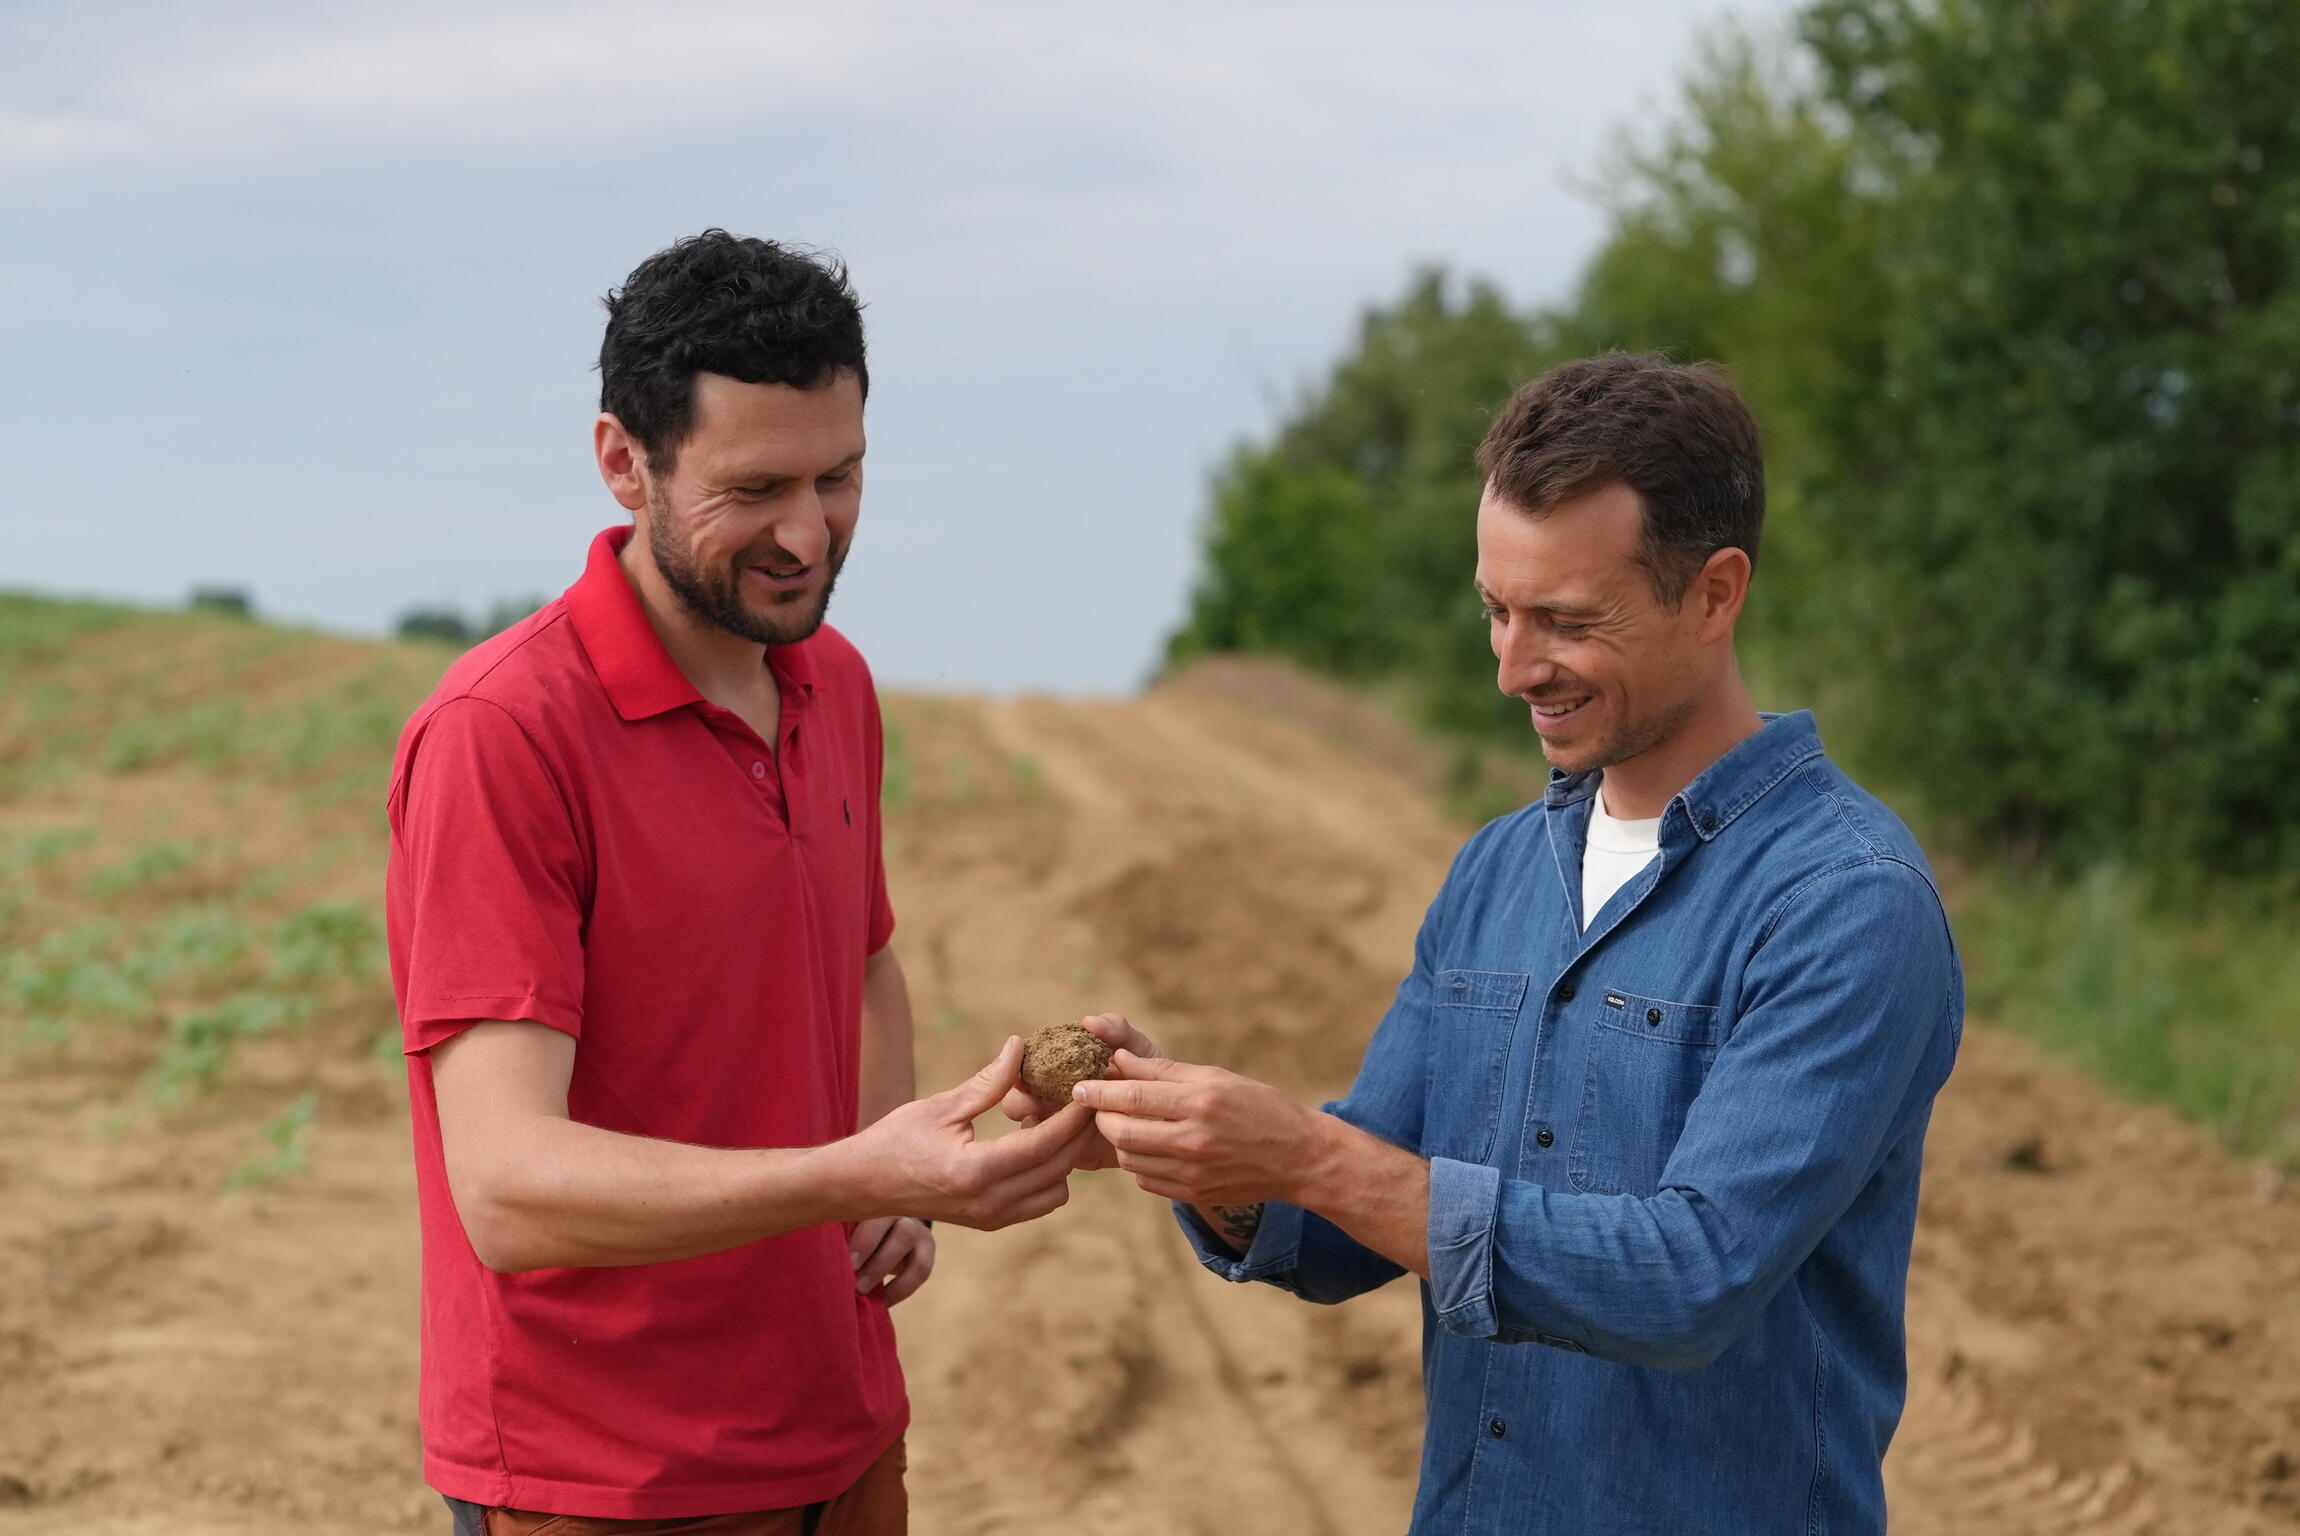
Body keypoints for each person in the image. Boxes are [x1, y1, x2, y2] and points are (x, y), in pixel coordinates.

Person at [1024, 353, 1964, 1533]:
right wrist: (1210, 1154)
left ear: (1715, 593)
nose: (1514, 668)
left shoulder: (1844, 900)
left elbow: (1688, 1277)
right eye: (1497, 611)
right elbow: (1349, 1224)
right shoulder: (1497, 871)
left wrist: (1309, 1158)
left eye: (1567, 621)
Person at [385, 230, 1094, 1536]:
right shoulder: (505, 732)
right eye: (756, 486)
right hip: (608, 1479)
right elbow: (508, 1187)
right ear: (622, 463)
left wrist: (887, 1186)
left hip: (840, 1432)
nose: (807, 534)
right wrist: (853, 1170)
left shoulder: (836, 684)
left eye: (841, 477)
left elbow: (861, 958)